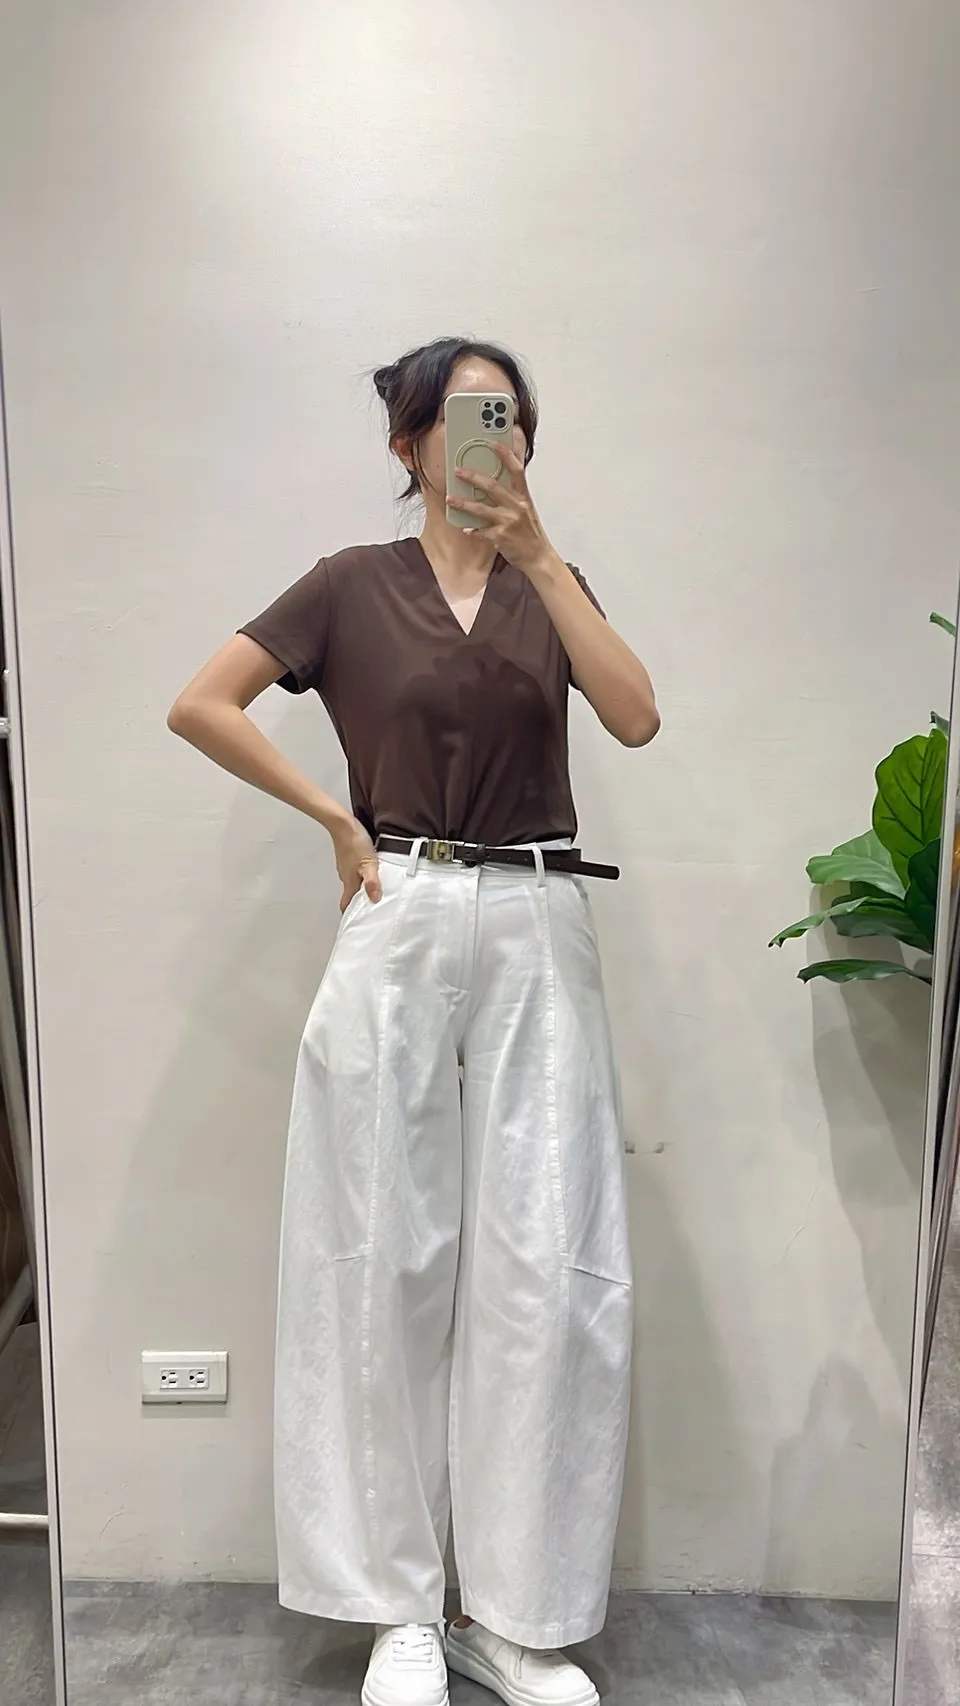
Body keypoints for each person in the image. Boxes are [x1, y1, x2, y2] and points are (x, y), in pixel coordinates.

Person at [168, 337, 659, 1706]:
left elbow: (635, 717)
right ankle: (397, 1606)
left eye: (513, 418)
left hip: (541, 911)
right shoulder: (349, 584)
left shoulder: (550, 582)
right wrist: (333, 817)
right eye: (468, 416)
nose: (497, 438)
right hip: (402, 903)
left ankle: (515, 1614)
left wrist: (544, 558)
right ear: (409, 444)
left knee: (546, 1260)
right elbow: (200, 702)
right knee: (379, 1250)